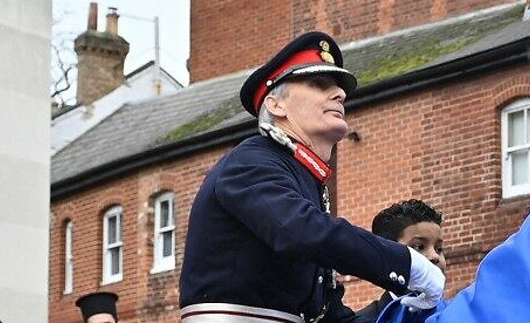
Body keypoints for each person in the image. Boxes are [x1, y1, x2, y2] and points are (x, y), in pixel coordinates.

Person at [180, 31, 445, 323]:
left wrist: (400, 307)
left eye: (338, 87)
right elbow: (302, 231)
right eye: (319, 84)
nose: (340, 94)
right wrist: (405, 265)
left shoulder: (304, 180)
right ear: (275, 104)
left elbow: (330, 318)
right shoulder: (251, 161)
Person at [355, 200, 446, 323]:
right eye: (418, 247)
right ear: (389, 255)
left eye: (439, 249)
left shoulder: (456, 315)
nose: (435, 256)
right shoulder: (366, 320)